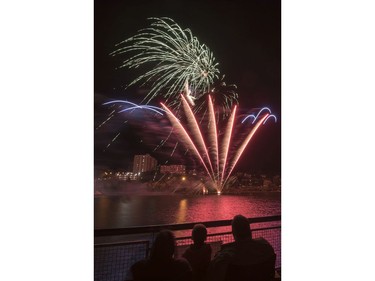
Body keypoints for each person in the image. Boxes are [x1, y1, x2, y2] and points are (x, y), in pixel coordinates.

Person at [207, 215, 276, 281]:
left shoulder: (223, 258)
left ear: (234, 233)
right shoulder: (266, 248)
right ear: (250, 231)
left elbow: (212, 274)